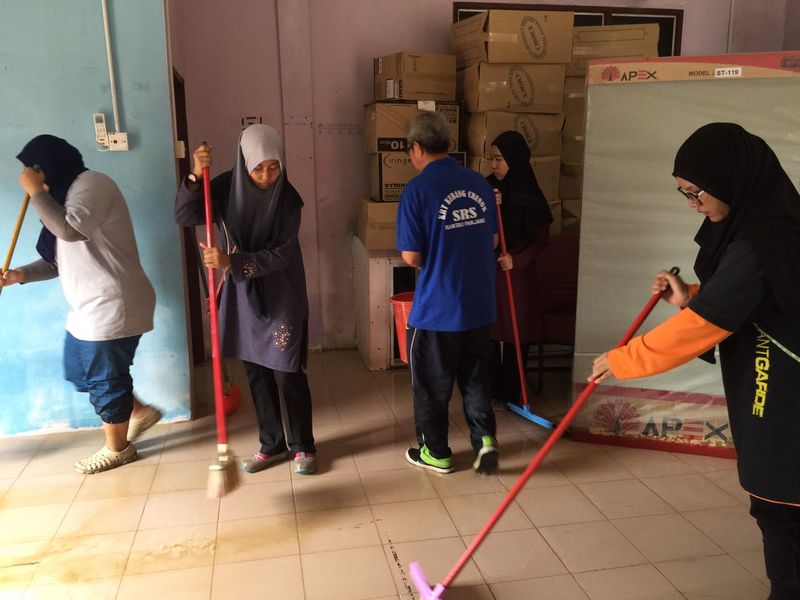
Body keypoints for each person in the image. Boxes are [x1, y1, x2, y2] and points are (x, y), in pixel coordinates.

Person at [589, 123, 800, 600]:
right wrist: (691, 296)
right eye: (683, 193)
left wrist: (625, 360)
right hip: (768, 378)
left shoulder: (764, 237)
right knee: (776, 501)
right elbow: (747, 299)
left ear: (728, 179)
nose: (691, 204)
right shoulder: (758, 225)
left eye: (695, 192)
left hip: (786, 390)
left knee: (781, 504)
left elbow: (707, 324)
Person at [2, 135, 160, 474]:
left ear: (49, 165)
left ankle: (118, 449)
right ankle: (139, 412)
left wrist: (37, 193)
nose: (33, 178)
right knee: (78, 371)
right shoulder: (61, 199)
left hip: (113, 302)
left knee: (106, 380)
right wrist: (19, 275)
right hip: (87, 308)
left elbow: (69, 230)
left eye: (35, 171)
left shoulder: (92, 184)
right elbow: (57, 260)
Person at [174, 124, 317, 475]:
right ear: (244, 163)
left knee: (286, 371)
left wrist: (231, 262)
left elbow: (282, 254)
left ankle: (303, 445)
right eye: (258, 168)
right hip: (241, 293)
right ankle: (272, 445)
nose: (266, 176)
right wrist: (195, 175)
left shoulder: (288, 199)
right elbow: (185, 215)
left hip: (282, 291)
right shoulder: (225, 186)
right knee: (255, 370)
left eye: (274, 167)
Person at [396, 110, 501, 475]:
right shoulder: (479, 183)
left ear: (416, 148)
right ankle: (485, 441)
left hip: (438, 309)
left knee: (430, 385)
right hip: (480, 304)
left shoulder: (417, 190)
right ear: (449, 143)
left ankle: (436, 453)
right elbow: (493, 240)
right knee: (475, 378)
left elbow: (411, 256)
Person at [487, 131, 552, 405]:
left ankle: (512, 392)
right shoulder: (487, 187)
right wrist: (491, 209)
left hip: (518, 275)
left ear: (514, 160)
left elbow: (541, 240)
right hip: (490, 273)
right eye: (491, 159)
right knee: (488, 332)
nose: (494, 165)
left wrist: (517, 260)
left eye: (499, 159)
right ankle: (491, 390)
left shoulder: (530, 194)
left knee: (517, 334)